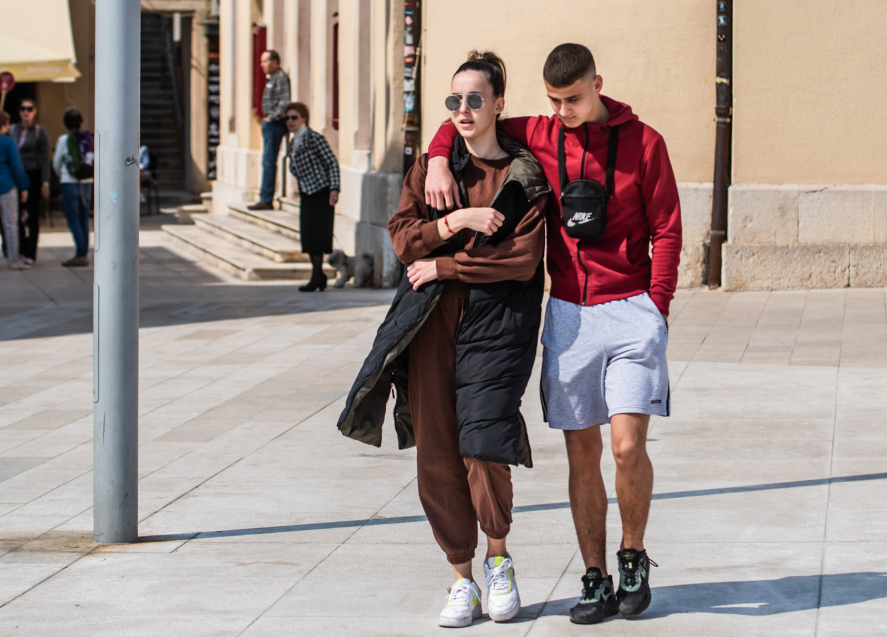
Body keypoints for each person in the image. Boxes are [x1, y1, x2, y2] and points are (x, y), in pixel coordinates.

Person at [424, 44, 683, 625]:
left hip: (632, 311)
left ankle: (633, 553)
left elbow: (667, 227)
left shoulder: (645, 143)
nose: (562, 111)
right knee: (581, 454)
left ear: (598, 85)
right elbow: (466, 117)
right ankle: (594, 575)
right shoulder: (539, 132)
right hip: (568, 313)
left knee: (626, 446)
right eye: (554, 101)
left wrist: (657, 307)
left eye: (572, 99)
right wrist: (439, 160)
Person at [337, 52, 550, 628]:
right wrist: (454, 224)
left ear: (499, 104)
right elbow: (404, 240)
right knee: (436, 455)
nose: (462, 109)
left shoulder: (524, 174)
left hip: (497, 327)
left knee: (484, 444)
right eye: (453, 100)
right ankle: (462, 578)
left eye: (474, 99)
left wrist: (446, 267)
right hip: (430, 329)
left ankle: (499, 558)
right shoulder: (434, 169)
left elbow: (522, 260)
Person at [283, 102, 340, 292]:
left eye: (294, 117)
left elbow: (331, 162)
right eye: (287, 118)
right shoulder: (293, 142)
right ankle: (318, 275)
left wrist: (334, 189)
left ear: (303, 118)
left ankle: (317, 275)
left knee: (319, 236)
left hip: (322, 191)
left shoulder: (314, 138)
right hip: (306, 193)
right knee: (308, 236)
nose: (290, 121)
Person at [248, 49, 290, 211]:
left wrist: (272, 117)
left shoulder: (280, 78)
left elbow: (285, 102)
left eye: (265, 61)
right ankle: (265, 197)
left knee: (269, 161)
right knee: (266, 161)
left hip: (275, 124)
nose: (261, 65)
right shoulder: (272, 78)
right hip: (269, 123)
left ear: (274, 62)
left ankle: (266, 199)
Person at [9, 99, 50, 264]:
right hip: (16, 175)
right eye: (22, 108)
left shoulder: (39, 132)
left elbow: (45, 157)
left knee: (33, 215)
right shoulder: (13, 130)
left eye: (29, 109)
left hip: (33, 175)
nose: (25, 112)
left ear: (34, 112)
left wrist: (45, 181)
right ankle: (20, 248)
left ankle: (30, 253)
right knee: (16, 214)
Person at [52, 108, 94, 267]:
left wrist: (61, 174)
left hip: (69, 181)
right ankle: (84, 253)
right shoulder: (87, 138)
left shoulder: (64, 139)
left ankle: (80, 253)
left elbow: (56, 162)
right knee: (84, 217)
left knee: (73, 218)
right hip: (87, 181)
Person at [0, 109, 30, 270]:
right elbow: (17, 166)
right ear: (4, 125)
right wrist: (23, 186)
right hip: (6, 186)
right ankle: (13, 259)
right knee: (9, 224)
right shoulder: (8, 142)